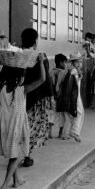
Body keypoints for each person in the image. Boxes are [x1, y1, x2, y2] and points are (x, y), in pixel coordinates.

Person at [0, 54, 46, 189]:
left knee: (14, 153)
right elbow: (42, 79)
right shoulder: (22, 90)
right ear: (19, 77)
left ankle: (17, 180)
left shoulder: (1, 89)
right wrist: (41, 62)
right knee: (15, 157)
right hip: (16, 125)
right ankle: (4, 184)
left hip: (4, 124)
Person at [21, 28, 53, 168]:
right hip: (39, 99)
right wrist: (51, 97)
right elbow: (46, 79)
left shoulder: (18, 55)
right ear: (35, 41)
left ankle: (24, 154)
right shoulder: (41, 56)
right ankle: (27, 155)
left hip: (23, 96)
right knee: (34, 127)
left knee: (24, 126)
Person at [59, 52, 85, 143]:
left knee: (68, 116)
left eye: (80, 62)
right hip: (74, 96)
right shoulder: (73, 71)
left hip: (72, 95)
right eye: (77, 62)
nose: (79, 64)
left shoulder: (73, 71)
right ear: (73, 63)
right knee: (79, 113)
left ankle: (65, 134)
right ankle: (74, 132)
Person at [49, 54, 68, 139]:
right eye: (64, 62)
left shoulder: (51, 72)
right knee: (61, 115)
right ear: (60, 62)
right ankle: (60, 133)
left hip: (52, 96)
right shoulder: (64, 73)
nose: (65, 64)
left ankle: (49, 133)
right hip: (60, 97)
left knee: (51, 114)